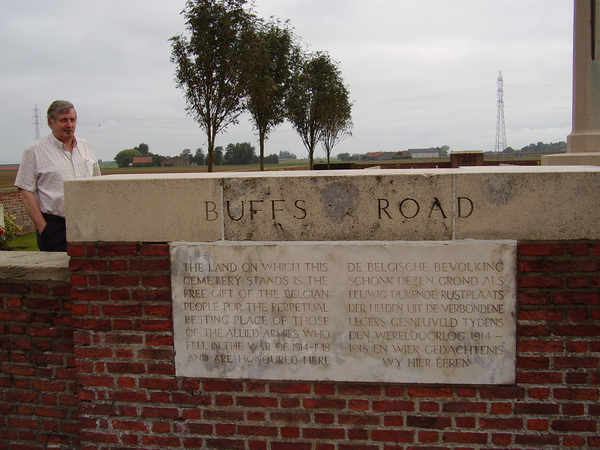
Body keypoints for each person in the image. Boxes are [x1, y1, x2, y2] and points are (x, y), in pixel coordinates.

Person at [15, 100, 101, 252]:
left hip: (89, 224)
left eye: (72, 120)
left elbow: (97, 184)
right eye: (63, 120)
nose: (69, 125)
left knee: (91, 273)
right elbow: (25, 191)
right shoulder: (34, 151)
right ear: (50, 122)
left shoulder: (85, 146)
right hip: (55, 227)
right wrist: (44, 229)